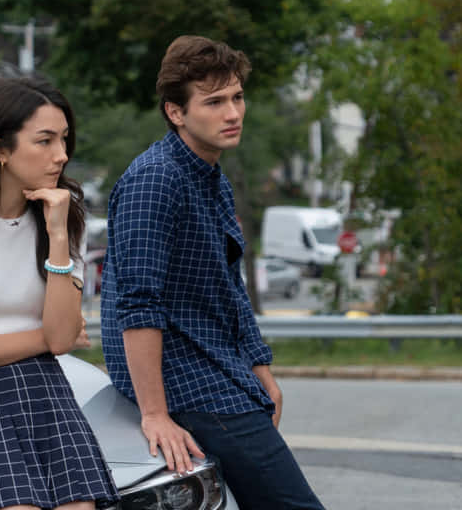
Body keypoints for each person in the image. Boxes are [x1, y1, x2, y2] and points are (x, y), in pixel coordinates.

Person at [100, 36, 324, 509]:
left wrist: (259, 365)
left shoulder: (209, 175)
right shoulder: (154, 179)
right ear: (176, 112)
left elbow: (229, 287)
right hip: (188, 381)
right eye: (215, 101)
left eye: (238, 97)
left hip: (221, 371)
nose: (233, 113)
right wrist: (155, 414)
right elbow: (137, 304)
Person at [0, 77, 119, 510]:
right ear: (0, 148)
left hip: (46, 390)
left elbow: (60, 336)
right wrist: (52, 340)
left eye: (64, 140)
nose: (61, 155)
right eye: (45, 141)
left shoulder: (61, 213)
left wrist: (57, 233)